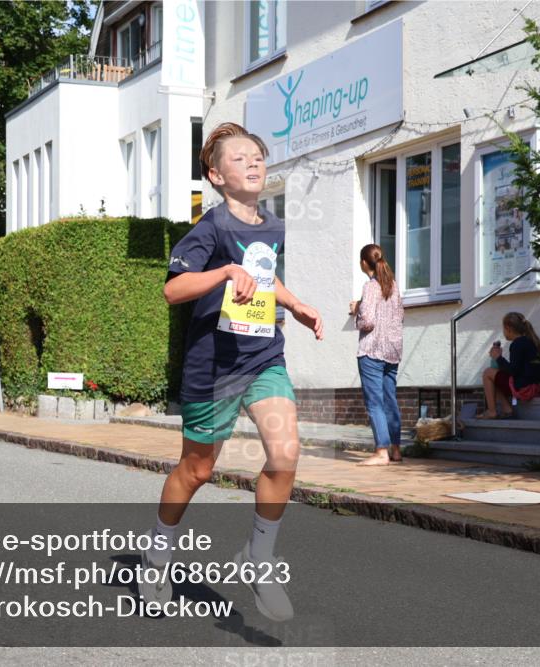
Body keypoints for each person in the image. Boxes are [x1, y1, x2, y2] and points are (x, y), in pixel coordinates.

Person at [140, 122, 323, 622]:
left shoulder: (270, 225)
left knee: (285, 455)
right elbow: (173, 290)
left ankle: (259, 559)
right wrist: (222, 272)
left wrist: (296, 303)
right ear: (216, 175)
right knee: (196, 470)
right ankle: (157, 554)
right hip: (213, 367)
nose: (254, 163)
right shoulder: (210, 227)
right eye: (240, 158)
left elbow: (264, 275)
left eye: (258, 155)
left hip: (263, 357)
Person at [350, 244, 404, 466]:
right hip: (392, 351)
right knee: (390, 399)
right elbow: (400, 316)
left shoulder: (370, 287)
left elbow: (368, 321)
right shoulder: (393, 286)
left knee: (375, 402)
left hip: (372, 350)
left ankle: (381, 451)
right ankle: (396, 450)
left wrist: (357, 313)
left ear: (364, 263)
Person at [478, 312, 540, 419]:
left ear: (508, 328)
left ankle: (492, 411)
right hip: (535, 387)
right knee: (495, 374)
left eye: (503, 329)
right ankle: (507, 409)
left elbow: (513, 371)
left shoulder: (517, 344)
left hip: (525, 389)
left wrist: (498, 358)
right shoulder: (531, 341)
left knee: (488, 373)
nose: (503, 332)